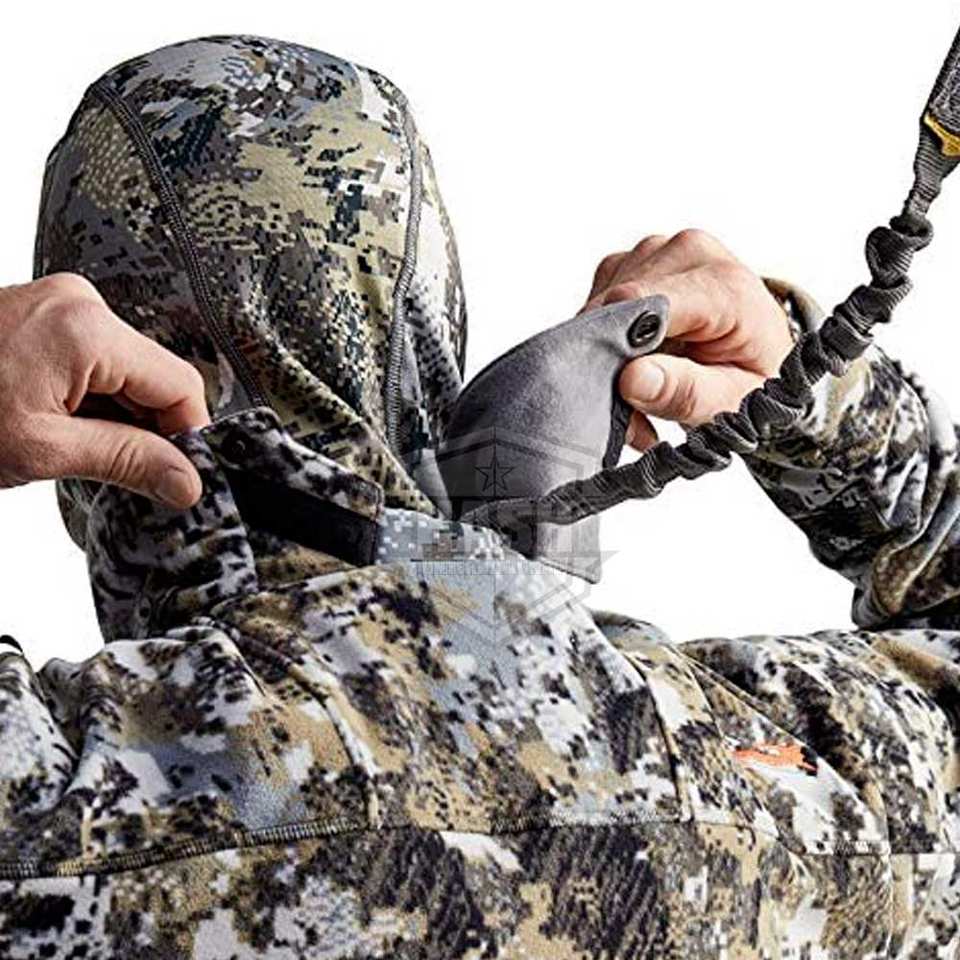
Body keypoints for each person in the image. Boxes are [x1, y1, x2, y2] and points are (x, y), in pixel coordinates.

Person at [0, 34, 956, 959]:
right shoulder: (780, 795)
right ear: (432, 346)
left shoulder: (57, 817)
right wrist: (812, 393)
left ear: (85, 420)